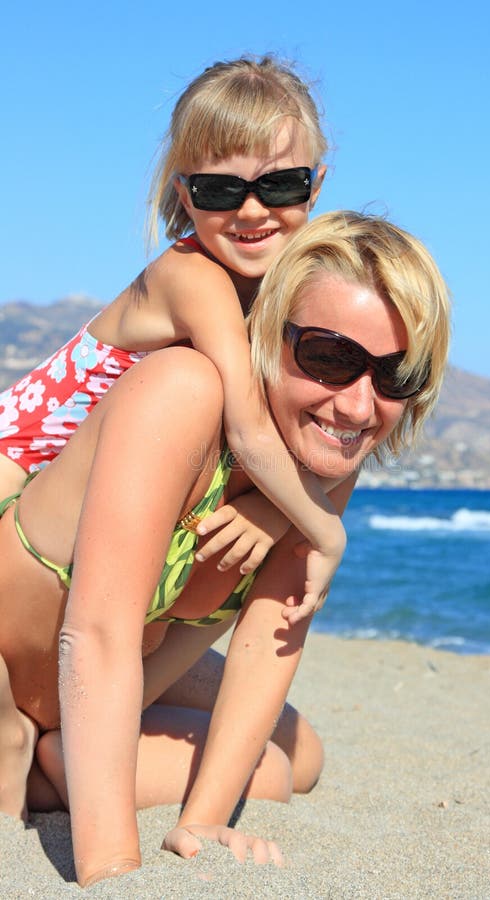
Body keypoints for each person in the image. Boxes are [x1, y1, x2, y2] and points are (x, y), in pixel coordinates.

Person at [0, 211, 451, 888]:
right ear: (270, 336)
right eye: (330, 359)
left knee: (292, 761)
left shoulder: (329, 460)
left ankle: (63, 760)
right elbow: (94, 635)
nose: (359, 408)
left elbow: (269, 640)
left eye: (396, 376)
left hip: (91, 693)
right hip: (32, 664)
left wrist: (204, 822)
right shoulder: (183, 390)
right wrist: (115, 867)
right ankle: (53, 763)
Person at [0, 54, 343, 617]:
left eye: (279, 185)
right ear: (186, 196)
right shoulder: (193, 277)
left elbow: (328, 427)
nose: (251, 209)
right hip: (15, 469)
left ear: (315, 186)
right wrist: (326, 533)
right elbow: (250, 427)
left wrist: (277, 510)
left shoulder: (273, 295)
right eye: (219, 191)